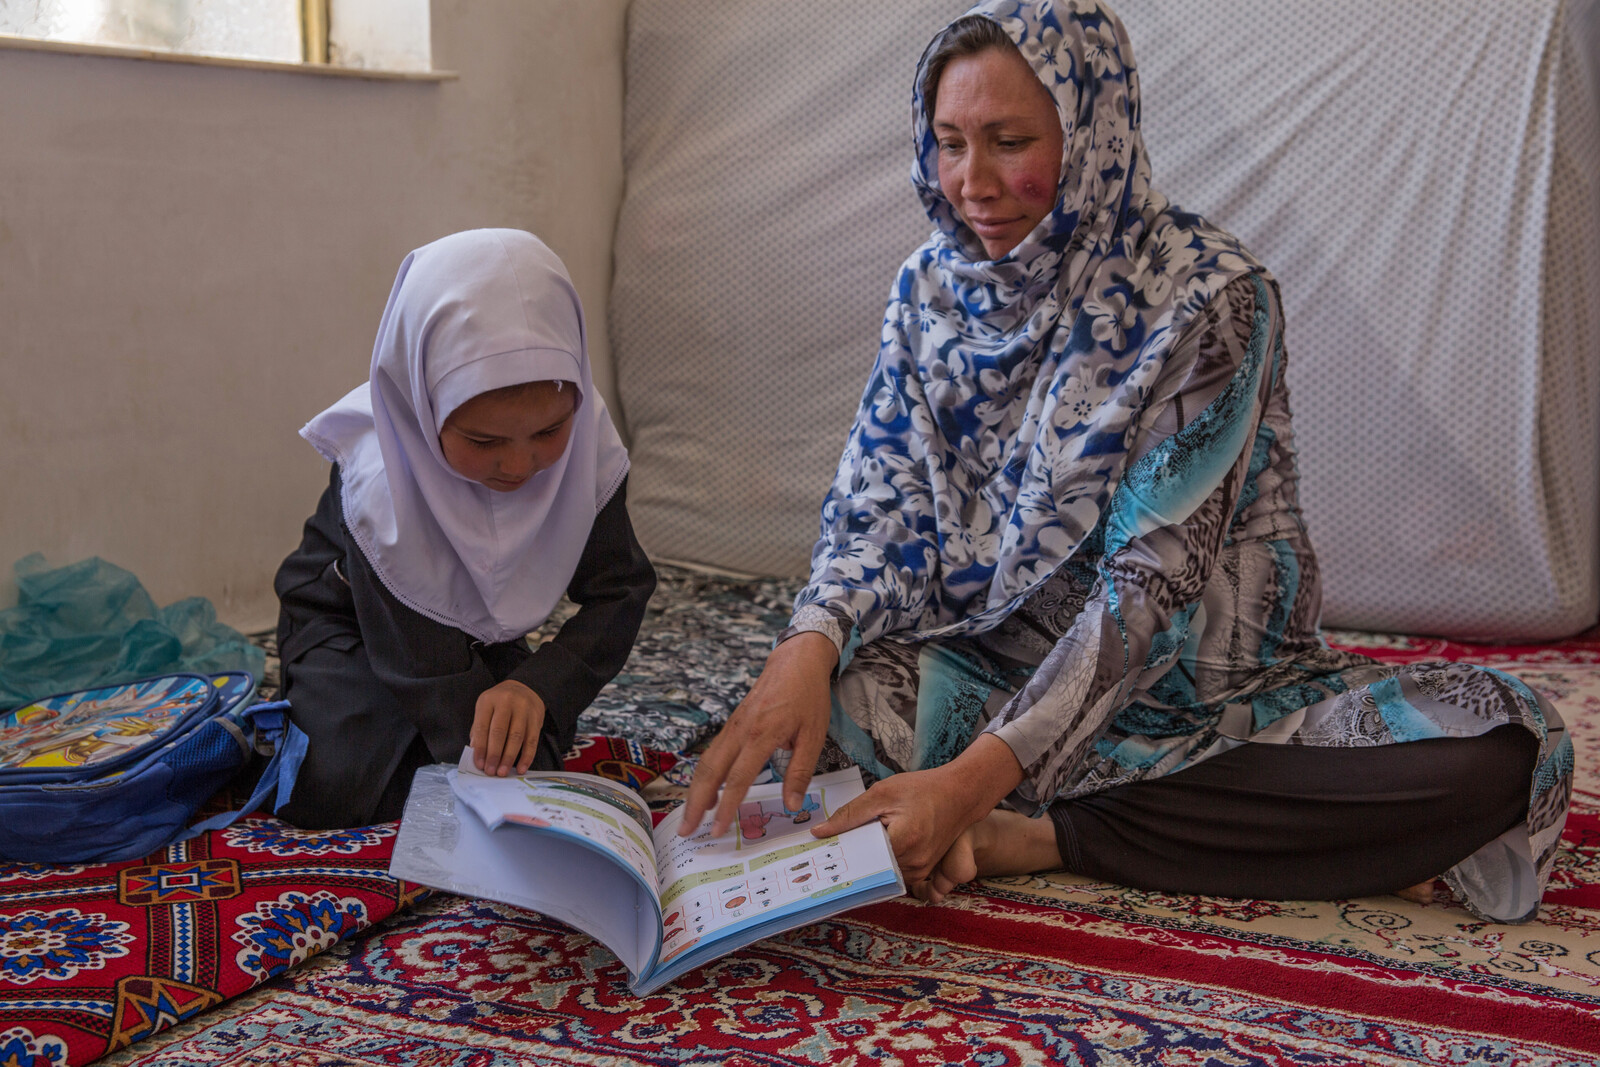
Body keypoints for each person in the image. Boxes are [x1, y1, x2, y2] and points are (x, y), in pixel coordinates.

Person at [678, 0, 1573, 924]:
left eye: (1009, 140)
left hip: (1203, 701)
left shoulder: (1210, 299)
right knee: (786, 734)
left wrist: (967, 789)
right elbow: (877, 500)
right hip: (990, 675)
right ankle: (1111, 821)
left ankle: (1048, 834)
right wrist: (807, 645)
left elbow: (1145, 592)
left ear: (1092, 136)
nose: (969, 182)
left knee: (1504, 747)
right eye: (948, 142)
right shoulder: (928, 289)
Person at [273, 229, 656, 829]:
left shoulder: (587, 448)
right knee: (341, 784)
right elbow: (416, 659)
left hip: (479, 634)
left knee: (524, 752)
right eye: (484, 441)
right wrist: (482, 763)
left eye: (548, 432)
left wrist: (539, 687)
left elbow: (621, 588)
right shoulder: (382, 471)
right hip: (353, 628)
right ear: (424, 405)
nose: (521, 465)